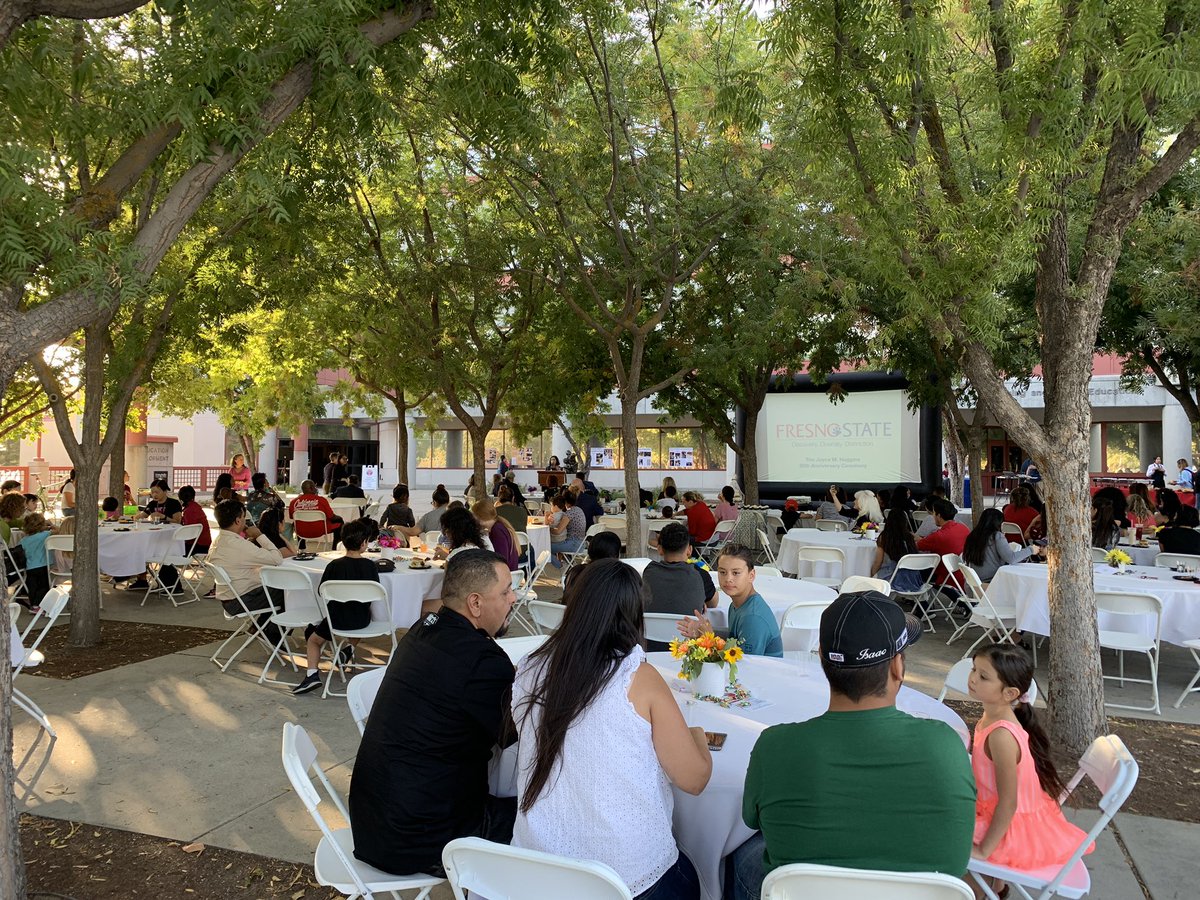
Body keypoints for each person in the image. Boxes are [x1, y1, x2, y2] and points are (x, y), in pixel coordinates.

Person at [727, 590, 975, 900]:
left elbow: (751, 820)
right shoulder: (948, 745)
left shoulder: (774, 746)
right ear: (898, 667)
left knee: (738, 850)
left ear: (821, 658)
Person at [512, 559, 710, 898]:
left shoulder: (530, 667)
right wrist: (699, 740)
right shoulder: (636, 676)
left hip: (537, 871)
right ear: (632, 614)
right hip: (625, 877)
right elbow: (694, 779)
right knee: (702, 873)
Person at [349, 549, 518, 876]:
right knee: (545, 818)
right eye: (506, 591)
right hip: (422, 837)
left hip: (376, 821)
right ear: (475, 603)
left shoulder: (423, 629)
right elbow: (519, 734)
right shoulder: (483, 662)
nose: (513, 598)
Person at [968, 644, 1092, 887]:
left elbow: (1009, 802)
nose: (972, 678)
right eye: (973, 670)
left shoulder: (1002, 735)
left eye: (983, 676)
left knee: (939, 833)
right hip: (992, 809)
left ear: (1010, 693)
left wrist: (983, 851)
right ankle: (995, 887)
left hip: (1010, 828)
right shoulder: (993, 716)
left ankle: (981, 888)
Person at [292, 518, 378, 695]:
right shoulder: (370, 566)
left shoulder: (333, 565)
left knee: (313, 640)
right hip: (361, 620)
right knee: (362, 618)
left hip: (336, 620)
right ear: (364, 543)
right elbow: (374, 593)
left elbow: (322, 592)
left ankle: (312, 674)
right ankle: (348, 649)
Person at [677, 545, 782, 657]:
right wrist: (703, 631)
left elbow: (744, 666)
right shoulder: (737, 604)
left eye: (736, 573)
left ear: (751, 576)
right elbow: (735, 638)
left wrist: (709, 639)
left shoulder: (752, 617)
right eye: (722, 572)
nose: (728, 579)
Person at [206, 499, 293, 635]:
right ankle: (272, 634)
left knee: (279, 590)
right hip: (242, 600)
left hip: (230, 598)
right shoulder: (239, 545)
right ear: (238, 520)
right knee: (291, 591)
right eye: (243, 517)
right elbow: (277, 558)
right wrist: (259, 535)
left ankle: (259, 627)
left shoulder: (218, 541)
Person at [643, 522, 718, 624]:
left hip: (650, 638)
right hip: (687, 638)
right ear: (689, 550)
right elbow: (713, 604)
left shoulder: (649, 572)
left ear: (660, 549)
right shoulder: (700, 574)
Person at [962, 509, 1041, 583]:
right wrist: (1031, 550)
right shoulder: (996, 536)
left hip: (975, 584)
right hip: (992, 582)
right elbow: (1011, 558)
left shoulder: (972, 536)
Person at [916, 498, 970, 586]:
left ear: (939, 515)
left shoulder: (938, 536)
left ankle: (917, 598)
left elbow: (915, 546)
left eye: (933, 513)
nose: (932, 516)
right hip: (964, 575)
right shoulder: (964, 528)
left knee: (910, 569)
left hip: (945, 577)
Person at [871, 505, 925, 590]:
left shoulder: (885, 537)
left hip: (892, 578)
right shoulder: (909, 537)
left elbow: (878, 562)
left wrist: (872, 575)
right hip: (914, 580)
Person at [288, 480, 343, 550]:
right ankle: (335, 549)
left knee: (296, 523)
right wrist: (340, 518)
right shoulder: (322, 500)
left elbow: (291, 516)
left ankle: (302, 548)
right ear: (311, 488)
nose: (316, 488)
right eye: (314, 487)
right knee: (340, 523)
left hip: (301, 531)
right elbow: (331, 517)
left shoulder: (294, 502)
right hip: (320, 530)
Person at [18, 513, 54, 608]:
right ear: (42, 525)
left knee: (33, 587)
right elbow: (58, 530)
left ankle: (33, 604)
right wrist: (51, 524)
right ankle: (38, 605)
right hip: (44, 565)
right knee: (43, 586)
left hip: (30, 567)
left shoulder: (24, 540)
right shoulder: (46, 534)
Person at [473, 499, 520, 571]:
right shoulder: (499, 525)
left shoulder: (497, 530)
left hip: (505, 576)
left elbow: (501, 559)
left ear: (482, 517)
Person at [546, 490, 586, 569]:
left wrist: (548, 529)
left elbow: (558, 531)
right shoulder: (578, 509)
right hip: (581, 543)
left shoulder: (569, 513)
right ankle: (565, 563)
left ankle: (559, 565)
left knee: (544, 547)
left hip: (573, 544)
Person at [178, 485, 213, 556]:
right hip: (204, 543)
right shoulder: (195, 506)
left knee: (173, 547)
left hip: (199, 545)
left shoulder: (189, 511)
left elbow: (189, 533)